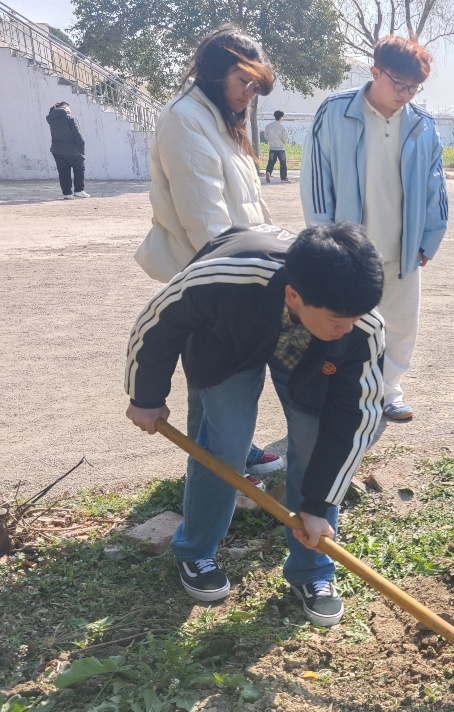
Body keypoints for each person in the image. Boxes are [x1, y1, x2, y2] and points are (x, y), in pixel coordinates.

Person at [124, 222, 386, 626]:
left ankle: (312, 572)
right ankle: (196, 550)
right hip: (228, 336)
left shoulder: (358, 328)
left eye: (357, 316)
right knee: (224, 445)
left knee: (314, 443)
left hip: (306, 349)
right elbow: (156, 323)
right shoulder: (225, 276)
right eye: (339, 318)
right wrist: (146, 396)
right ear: (295, 296)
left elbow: (354, 419)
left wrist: (317, 506)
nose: (349, 327)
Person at [133, 25, 284, 480]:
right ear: (217, 73)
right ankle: (223, 473)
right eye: (244, 81)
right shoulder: (186, 119)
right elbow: (206, 223)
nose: (250, 94)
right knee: (219, 381)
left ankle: (229, 454)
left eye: (257, 86)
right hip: (214, 275)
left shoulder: (221, 119)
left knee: (211, 387)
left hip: (231, 269)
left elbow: (248, 205)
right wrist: (248, 282)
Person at [302, 35, 447, 423]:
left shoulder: (422, 125)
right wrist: (325, 242)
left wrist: (429, 239)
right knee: (343, 324)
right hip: (349, 249)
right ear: (375, 71)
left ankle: (388, 391)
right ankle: (343, 393)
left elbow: (437, 188)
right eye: (397, 83)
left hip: (403, 247)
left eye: (413, 87)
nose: (404, 93)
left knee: (400, 326)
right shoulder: (335, 113)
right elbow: (318, 181)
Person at [46, 102, 88, 199]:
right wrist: (82, 149)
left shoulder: (51, 119)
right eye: (68, 107)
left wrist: (53, 108)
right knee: (79, 169)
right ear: (65, 107)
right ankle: (79, 190)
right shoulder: (70, 118)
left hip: (57, 151)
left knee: (63, 172)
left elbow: (50, 114)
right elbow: (78, 135)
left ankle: (67, 193)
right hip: (72, 150)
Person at [264, 110, 289, 183]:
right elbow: (285, 137)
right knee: (283, 163)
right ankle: (283, 178)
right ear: (281, 117)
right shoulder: (282, 126)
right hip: (281, 148)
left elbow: (265, 135)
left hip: (272, 148)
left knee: (271, 162)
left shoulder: (268, 126)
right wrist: (284, 143)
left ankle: (268, 172)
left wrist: (270, 141)